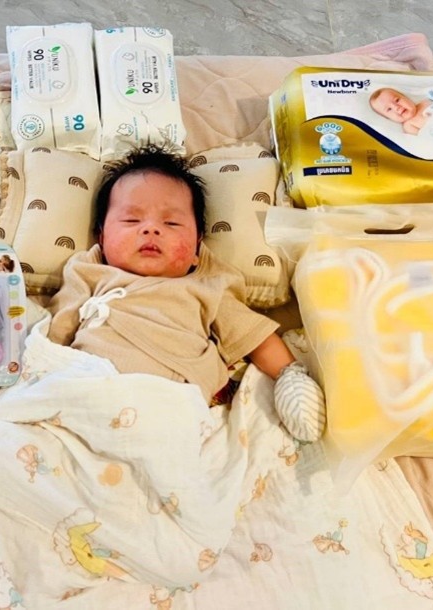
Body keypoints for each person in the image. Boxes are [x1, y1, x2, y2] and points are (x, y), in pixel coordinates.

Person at [46, 145, 325, 442]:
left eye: (171, 223)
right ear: (101, 237)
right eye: (131, 220)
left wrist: (290, 376)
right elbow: (54, 336)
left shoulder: (208, 286)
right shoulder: (88, 272)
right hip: (88, 396)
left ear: (196, 248)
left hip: (170, 410)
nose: (151, 229)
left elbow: (255, 337)